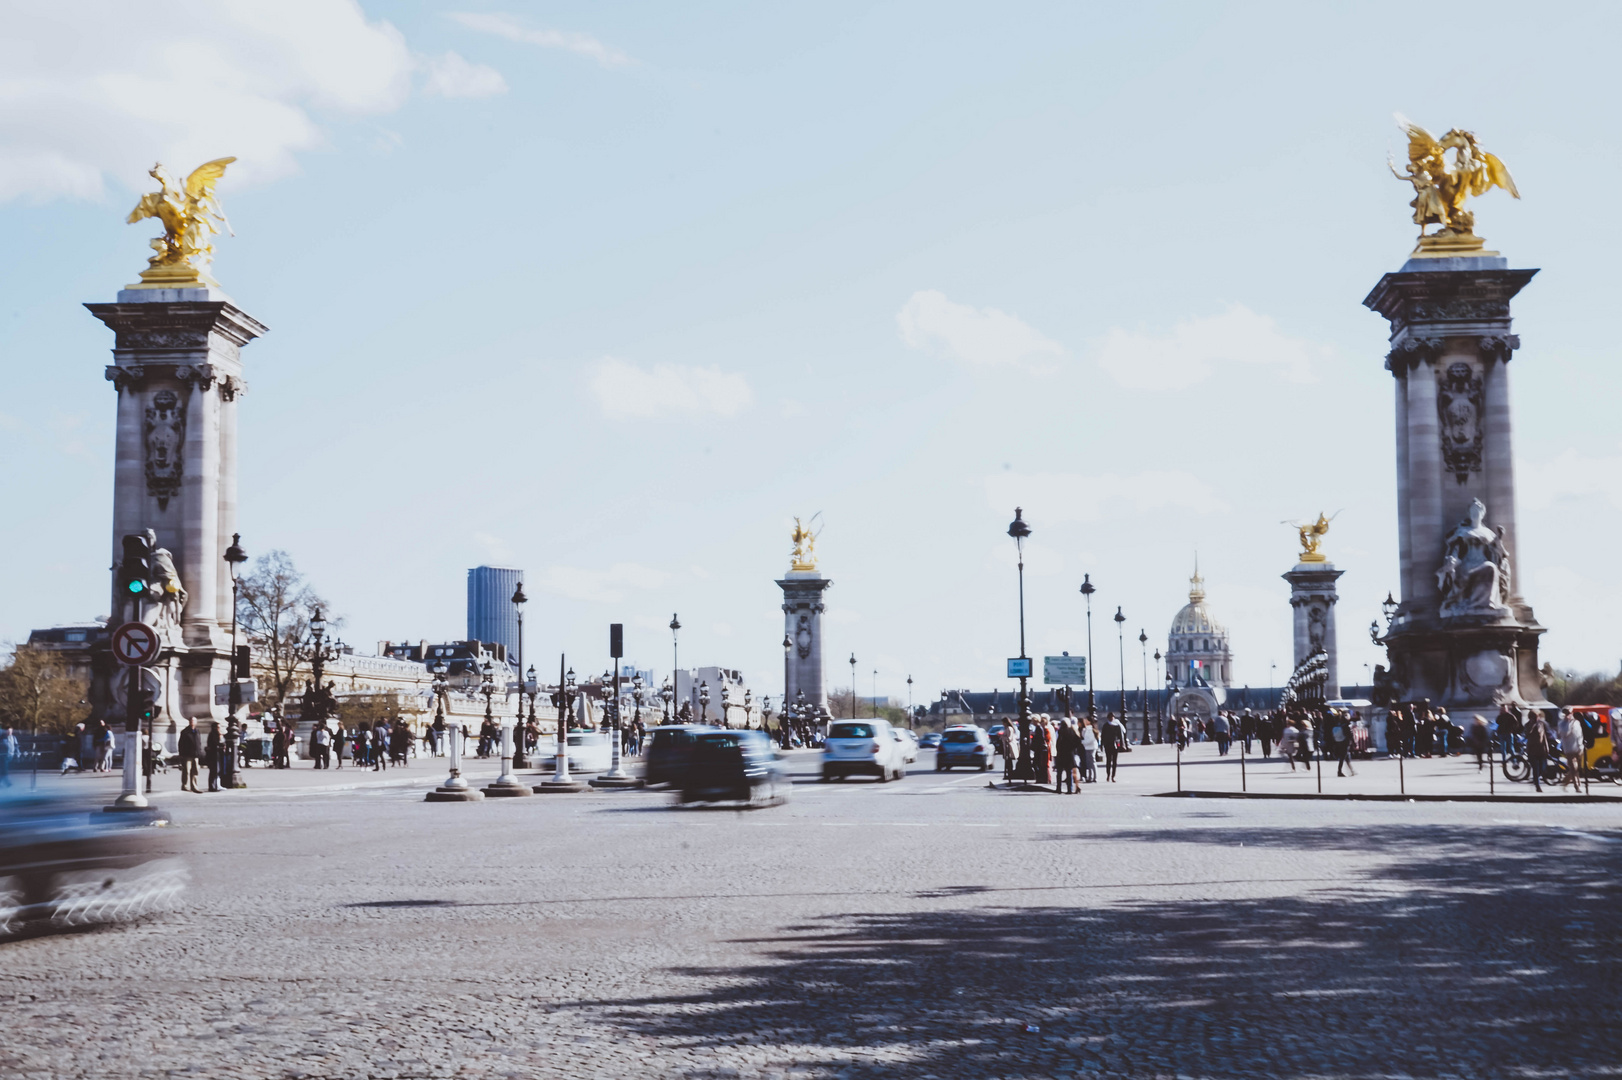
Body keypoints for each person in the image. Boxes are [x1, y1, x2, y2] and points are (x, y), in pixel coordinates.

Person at [1524, 709, 1553, 793]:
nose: (1537, 718)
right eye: (1535, 717)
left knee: (1542, 768)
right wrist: (1532, 724)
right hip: (1532, 750)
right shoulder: (1527, 725)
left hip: (1541, 749)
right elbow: (1527, 734)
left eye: (1538, 716)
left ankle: (1536, 780)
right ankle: (1537, 786)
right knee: (1535, 768)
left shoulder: (1542, 724)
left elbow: (1544, 736)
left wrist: (1547, 747)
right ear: (1531, 717)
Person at [1557, 708, 1586, 790]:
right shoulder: (1562, 724)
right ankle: (1576, 786)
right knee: (1573, 767)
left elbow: (1580, 735)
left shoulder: (1576, 722)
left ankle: (1565, 782)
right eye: (1566, 713)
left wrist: (1581, 746)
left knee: (1577, 768)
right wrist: (1569, 723)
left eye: (1569, 713)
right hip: (1569, 748)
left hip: (1578, 747)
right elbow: (1565, 733)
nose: (1568, 715)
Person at [1054, 718, 1079, 794]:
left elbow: (1058, 743)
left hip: (1061, 754)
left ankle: (1059, 788)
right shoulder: (1072, 731)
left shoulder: (1060, 732)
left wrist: (1058, 750)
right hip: (1069, 754)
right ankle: (1069, 789)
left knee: (1059, 773)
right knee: (1069, 772)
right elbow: (1078, 741)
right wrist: (1073, 748)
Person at [1327, 710, 1355, 777]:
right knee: (1343, 757)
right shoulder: (1346, 725)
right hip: (1345, 742)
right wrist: (1353, 742)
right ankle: (1339, 771)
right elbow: (1350, 734)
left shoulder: (1338, 723)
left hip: (1339, 741)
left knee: (1346, 757)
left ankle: (1352, 770)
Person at [177, 717, 201, 793]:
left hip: (196, 755)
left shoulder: (197, 731)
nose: (192, 722)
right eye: (191, 720)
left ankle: (194, 786)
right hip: (187, 754)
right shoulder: (185, 732)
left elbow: (199, 742)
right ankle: (185, 785)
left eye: (194, 721)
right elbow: (181, 743)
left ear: (196, 722)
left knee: (195, 771)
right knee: (186, 770)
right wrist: (181, 754)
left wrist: (199, 752)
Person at [1101, 712, 1127, 783]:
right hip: (1108, 744)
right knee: (1108, 760)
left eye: (1112, 717)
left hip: (1115, 744)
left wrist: (1122, 744)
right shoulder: (1106, 725)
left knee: (1114, 761)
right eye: (1110, 717)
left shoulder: (1117, 725)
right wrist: (1101, 745)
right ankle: (1108, 775)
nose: (1111, 718)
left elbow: (1121, 736)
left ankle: (1113, 776)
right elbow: (1103, 736)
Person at [1080, 719, 1099, 783]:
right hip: (1087, 747)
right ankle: (1090, 776)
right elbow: (1083, 736)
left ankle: (1094, 777)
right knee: (1089, 763)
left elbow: (1090, 739)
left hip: (1091, 747)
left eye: (1086, 720)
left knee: (1092, 762)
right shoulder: (1086, 729)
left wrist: (1083, 742)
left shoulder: (1090, 729)